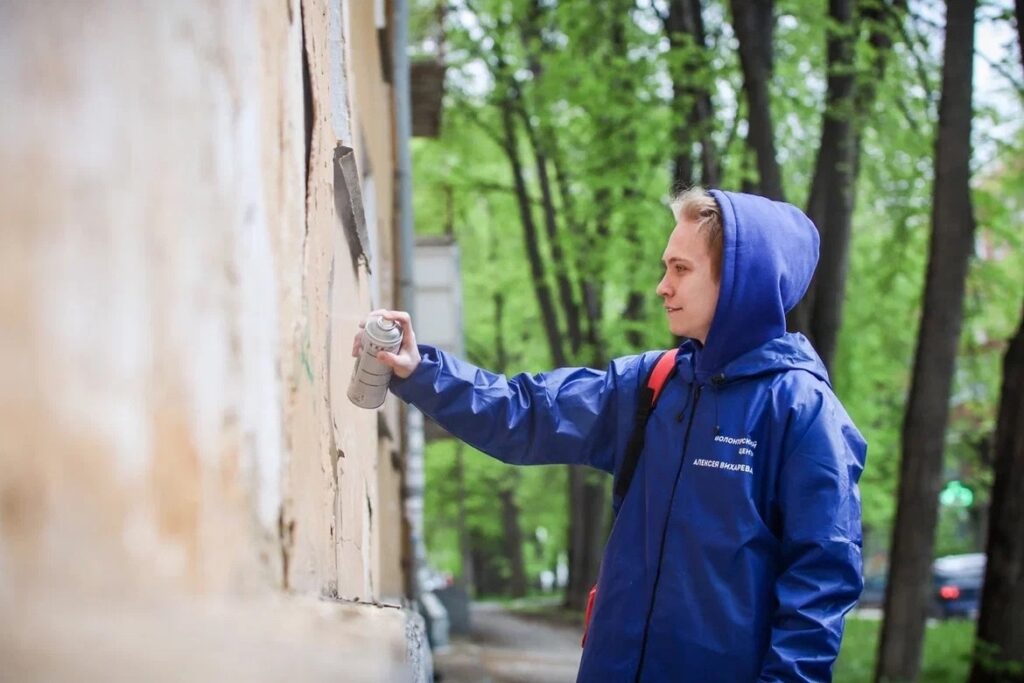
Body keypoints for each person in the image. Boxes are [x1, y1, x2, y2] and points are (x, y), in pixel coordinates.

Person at [355, 188, 865, 682]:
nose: (663, 285)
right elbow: (526, 412)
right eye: (667, 266)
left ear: (739, 280)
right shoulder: (652, 384)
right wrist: (422, 372)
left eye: (681, 269)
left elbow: (821, 584)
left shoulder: (802, 410)